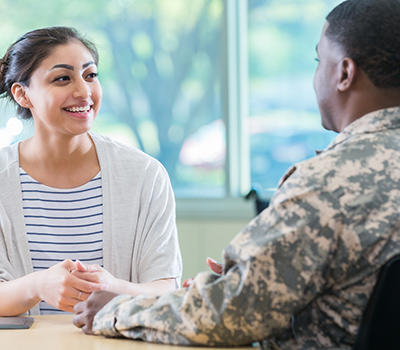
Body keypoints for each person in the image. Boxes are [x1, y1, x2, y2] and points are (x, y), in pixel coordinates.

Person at [73, 0, 400, 348]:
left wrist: (118, 308)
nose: (316, 76)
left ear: (344, 73)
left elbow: (230, 314)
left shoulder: (329, 184)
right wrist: (251, 274)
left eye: (320, 61)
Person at [0, 27, 182, 316]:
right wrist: (37, 285)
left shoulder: (145, 176)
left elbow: (166, 289)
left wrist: (114, 287)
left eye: (90, 75)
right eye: (62, 78)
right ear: (23, 94)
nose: (84, 92)